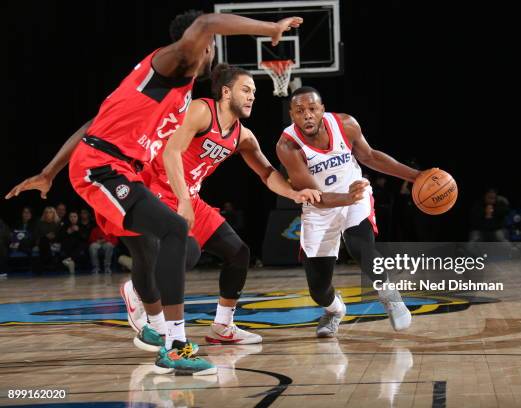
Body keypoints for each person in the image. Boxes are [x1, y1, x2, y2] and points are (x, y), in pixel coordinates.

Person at [6, 10, 304, 375]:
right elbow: (207, 23)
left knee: (175, 245)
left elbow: (92, 123)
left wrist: (48, 172)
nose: (210, 52)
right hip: (100, 167)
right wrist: (271, 28)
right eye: (209, 46)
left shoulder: (176, 96)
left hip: (122, 172)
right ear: (202, 46)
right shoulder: (172, 63)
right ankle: (173, 344)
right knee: (175, 233)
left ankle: (162, 329)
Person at [123, 64, 320, 346]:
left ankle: (222, 326)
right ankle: (139, 290)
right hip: (157, 189)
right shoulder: (202, 111)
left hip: (189, 196)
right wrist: (182, 201)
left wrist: (293, 194)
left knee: (238, 253)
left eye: (254, 92)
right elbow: (171, 152)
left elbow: (266, 173)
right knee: (185, 255)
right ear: (226, 92)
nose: (252, 96)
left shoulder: (242, 136)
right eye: (246, 90)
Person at [276, 86, 429, 338]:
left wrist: (416, 176)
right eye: (300, 111)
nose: (307, 116)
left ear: (322, 110)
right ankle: (334, 310)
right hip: (320, 207)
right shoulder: (287, 146)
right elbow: (317, 197)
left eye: (312, 109)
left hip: (355, 193)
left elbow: (370, 157)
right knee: (318, 288)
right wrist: (346, 198)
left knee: (360, 246)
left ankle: (389, 295)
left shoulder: (345, 124)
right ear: (292, 115)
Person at [34, 206, 62, 272]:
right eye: (46, 212)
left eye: (50, 212)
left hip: (55, 242)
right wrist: (46, 236)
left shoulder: (58, 223)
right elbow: (36, 234)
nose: (48, 214)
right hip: (42, 242)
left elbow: (61, 235)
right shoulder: (40, 223)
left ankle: (45, 263)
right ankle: (50, 262)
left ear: (54, 214)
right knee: (44, 240)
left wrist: (54, 236)